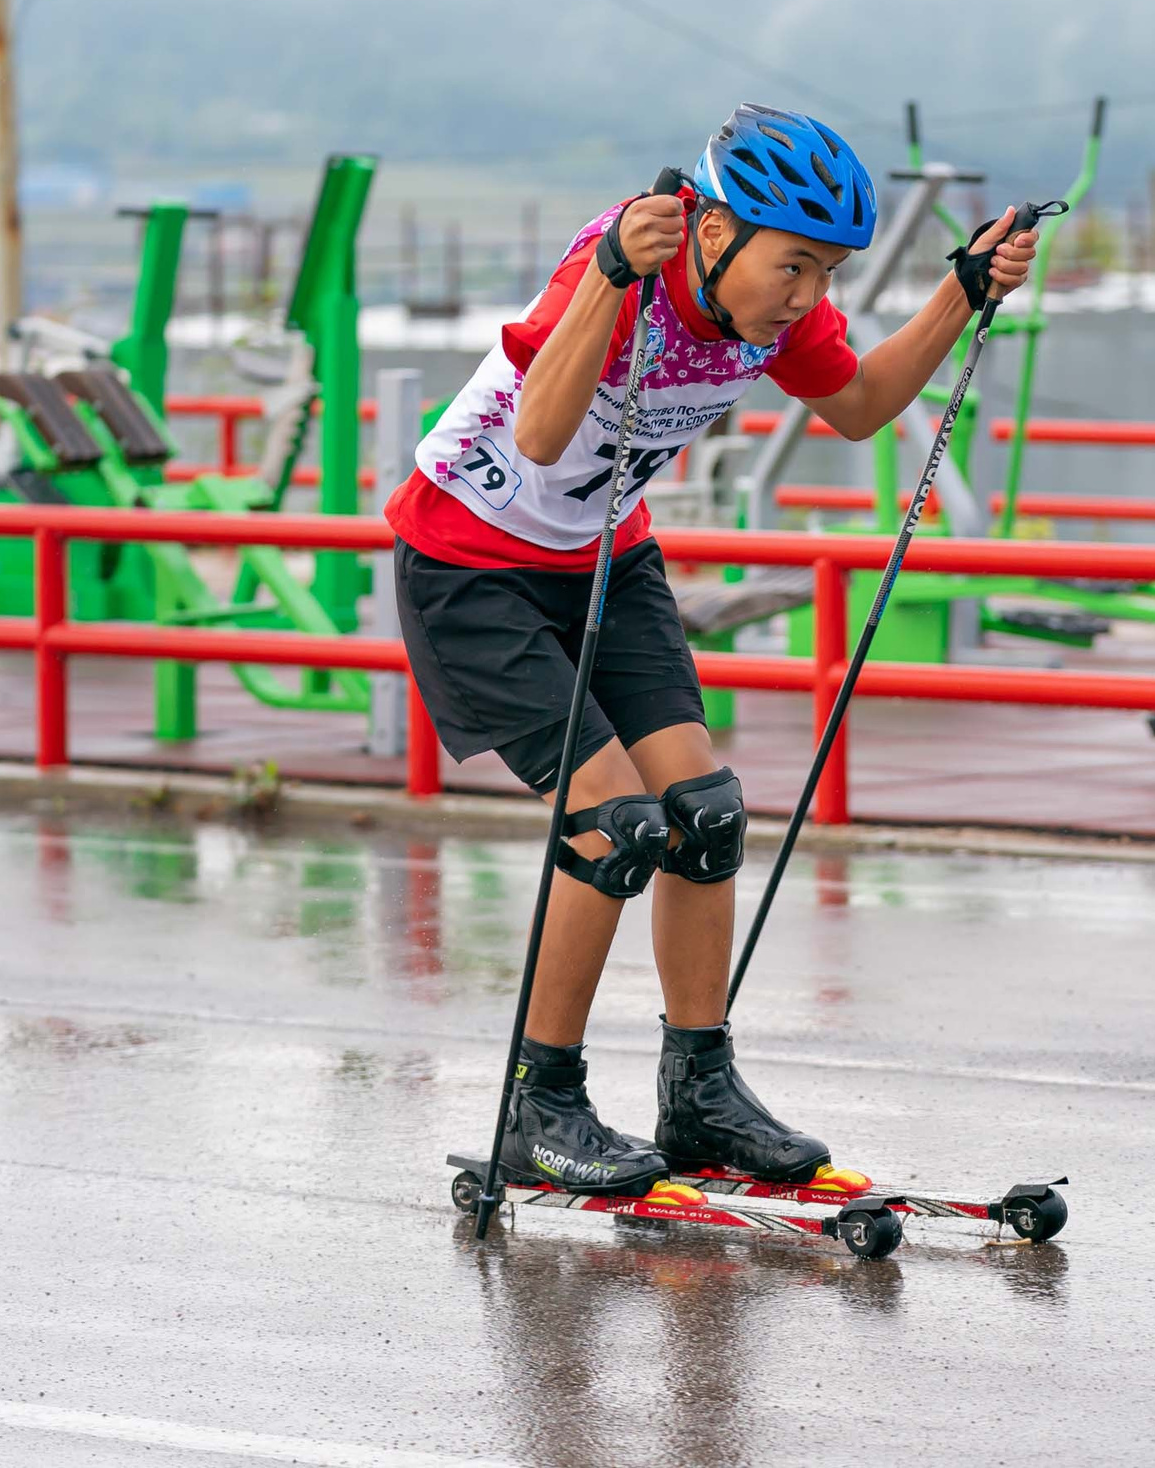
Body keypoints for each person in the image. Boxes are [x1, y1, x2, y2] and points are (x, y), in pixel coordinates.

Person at [385, 105, 1038, 1192]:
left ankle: (699, 1094)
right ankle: (538, 1104)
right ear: (715, 230)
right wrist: (603, 277)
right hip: (470, 564)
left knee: (705, 812)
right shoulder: (621, 261)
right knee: (611, 821)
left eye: (826, 272)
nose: (806, 295)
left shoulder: (777, 317)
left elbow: (865, 406)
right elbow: (541, 436)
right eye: (793, 265)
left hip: (603, 556)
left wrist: (959, 292)